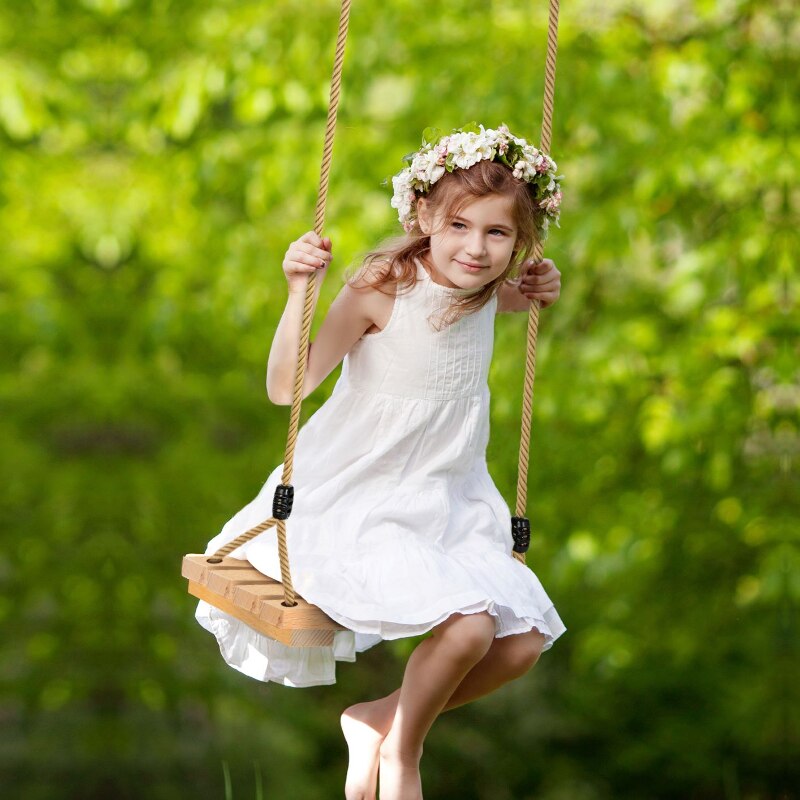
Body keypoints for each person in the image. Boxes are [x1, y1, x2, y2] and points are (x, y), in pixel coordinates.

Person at [195, 123, 567, 800]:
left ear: (519, 241)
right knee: (474, 625)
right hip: (359, 498)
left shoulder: (485, 289)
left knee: (523, 642)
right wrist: (296, 292)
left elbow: (523, 293)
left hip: (447, 506)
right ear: (424, 216)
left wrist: (545, 284)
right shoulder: (382, 287)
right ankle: (403, 756)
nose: (476, 249)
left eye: (498, 234)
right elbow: (288, 387)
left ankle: (377, 719)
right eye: (458, 225)